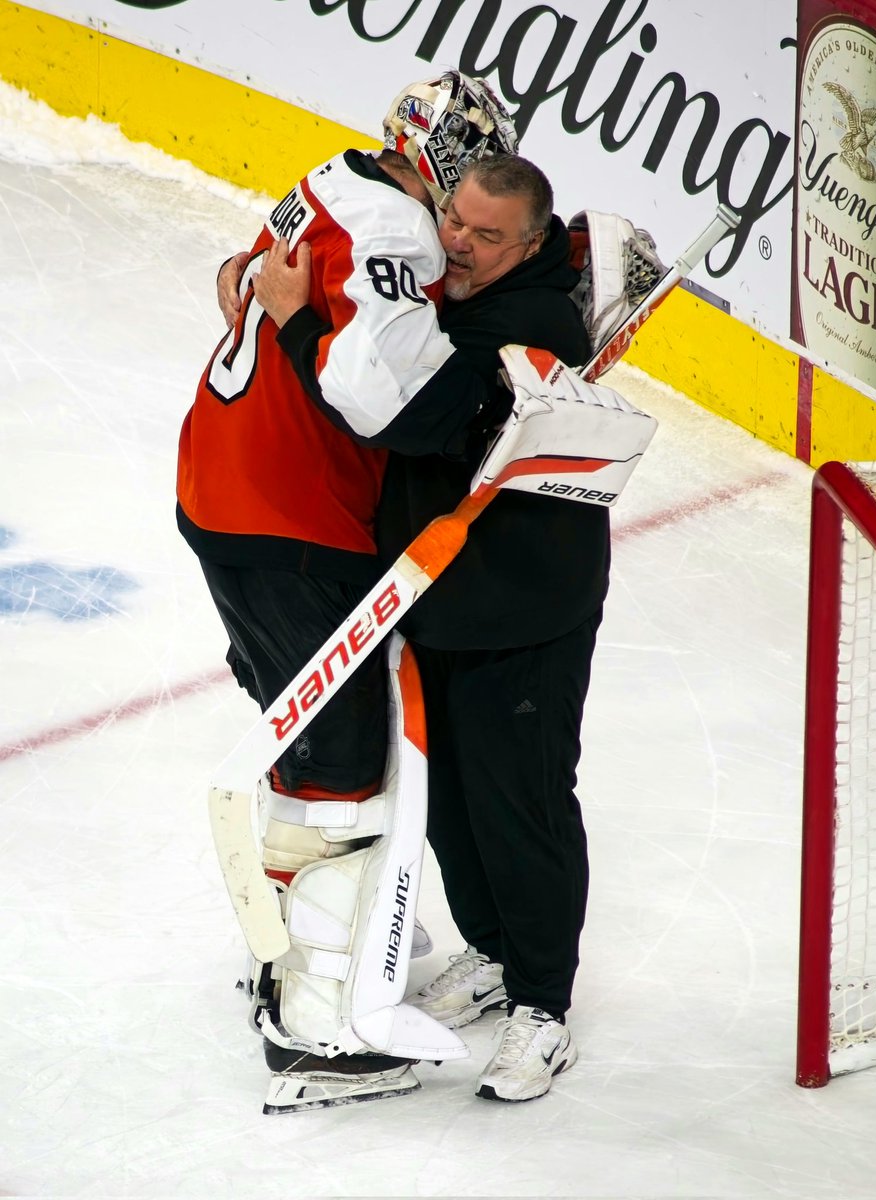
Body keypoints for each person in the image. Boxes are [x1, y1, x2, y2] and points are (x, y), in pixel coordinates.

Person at [178, 70, 519, 1112]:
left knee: (308, 732)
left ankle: (289, 955)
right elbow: (379, 397)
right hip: (289, 517)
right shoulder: (399, 233)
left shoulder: (329, 178)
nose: (459, 225)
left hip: (217, 487)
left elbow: (251, 281)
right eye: (464, 190)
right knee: (346, 759)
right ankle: (319, 1022)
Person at [246, 151, 618, 1103]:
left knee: (522, 802)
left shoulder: (524, 322)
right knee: (449, 804)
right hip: (441, 598)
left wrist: (295, 322)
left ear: (531, 244)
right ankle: (495, 954)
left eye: (486, 236)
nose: (455, 240)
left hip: (524, 611)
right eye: (454, 218)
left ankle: (544, 1007)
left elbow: (403, 418)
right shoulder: (460, 290)